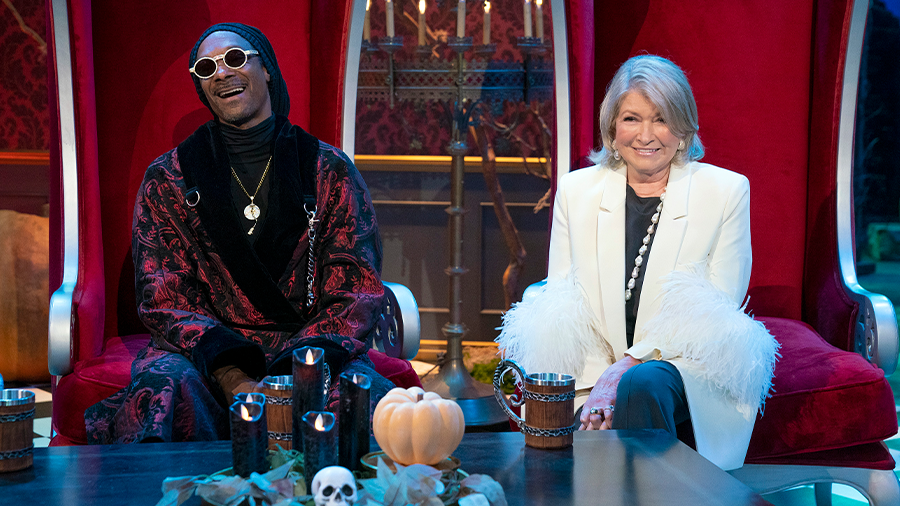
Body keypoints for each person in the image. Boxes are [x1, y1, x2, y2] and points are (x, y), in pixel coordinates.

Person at [85, 23, 395, 443]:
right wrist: (230, 373)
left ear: (266, 69)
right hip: (206, 354)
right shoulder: (169, 178)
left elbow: (356, 291)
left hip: (309, 350)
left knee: (366, 397)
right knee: (164, 389)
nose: (222, 73)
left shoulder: (329, 170)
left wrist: (293, 375)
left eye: (234, 58)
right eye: (206, 68)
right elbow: (164, 296)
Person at [497, 55, 778, 470]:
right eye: (632, 119)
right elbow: (565, 304)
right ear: (612, 129)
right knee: (623, 393)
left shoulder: (725, 191)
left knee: (642, 383)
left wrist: (626, 370)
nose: (646, 135)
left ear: (683, 130)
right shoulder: (577, 191)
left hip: (683, 364)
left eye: (661, 119)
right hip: (597, 368)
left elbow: (716, 311)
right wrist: (601, 390)